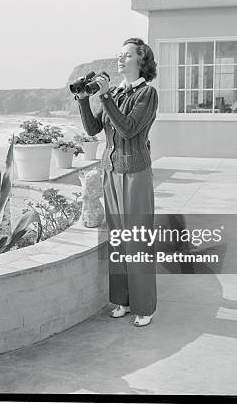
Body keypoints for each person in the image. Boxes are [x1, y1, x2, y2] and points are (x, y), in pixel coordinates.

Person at [74, 37, 158, 327]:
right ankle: (121, 300)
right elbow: (93, 128)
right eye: (119, 55)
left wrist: (106, 96)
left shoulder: (146, 94)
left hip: (135, 174)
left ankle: (144, 306)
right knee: (119, 240)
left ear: (141, 60)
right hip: (111, 171)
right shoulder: (118, 92)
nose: (120, 59)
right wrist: (85, 100)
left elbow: (128, 129)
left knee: (137, 240)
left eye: (127, 55)